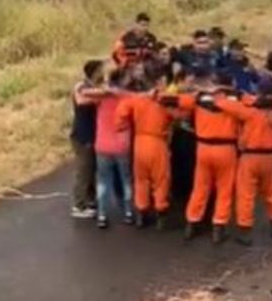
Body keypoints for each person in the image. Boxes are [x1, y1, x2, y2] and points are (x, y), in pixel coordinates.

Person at [213, 86, 272, 246]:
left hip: (250, 157)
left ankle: (245, 230)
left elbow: (224, 104)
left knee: (246, 194)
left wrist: (219, 95)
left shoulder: (251, 114)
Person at [163, 73, 240, 244]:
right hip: (226, 148)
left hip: (203, 148)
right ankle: (218, 227)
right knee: (224, 189)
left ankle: (192, 223)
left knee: (200, 187)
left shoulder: (198, 99)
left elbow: (168, 100)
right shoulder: (235, 100)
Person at [115, 70, 176, 229]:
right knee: (161, 179)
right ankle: (161, 211)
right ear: (157, 83)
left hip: (140, 142)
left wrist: (123, 126)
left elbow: (121, 114)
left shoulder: (136, 99)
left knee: (141, 179)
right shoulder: (164, 101)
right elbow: (178, 114)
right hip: (157, 142)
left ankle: (141, 212)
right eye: (163, 81)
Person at [94, 70, 134, 229]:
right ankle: (129, 212)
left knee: (103, 181)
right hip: (121, 145)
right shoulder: (127, 99)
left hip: (102, 145)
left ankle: (102, 215)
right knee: (126, 180)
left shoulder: (100, 98)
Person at [70, 60, 107, 219]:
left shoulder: (98, 86)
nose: (103, 72)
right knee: (84, 171)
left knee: (92, 169)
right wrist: (100, 98)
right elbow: (80, 100)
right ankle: (79, 205)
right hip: (82, 134)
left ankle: (91, 199)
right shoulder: (81, 86)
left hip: (93, 134)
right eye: (101, 70)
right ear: (94, 71)